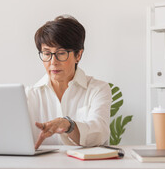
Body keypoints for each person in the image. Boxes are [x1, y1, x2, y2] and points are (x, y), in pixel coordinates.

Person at [26, 15, 112, 149]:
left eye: (61, 53)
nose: (53, 62)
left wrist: (68, 125)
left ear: (78, 55)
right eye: (47, 53)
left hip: (87, 167)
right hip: (41, 167)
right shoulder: (29, 95)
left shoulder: (98, 89)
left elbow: (99, 133)